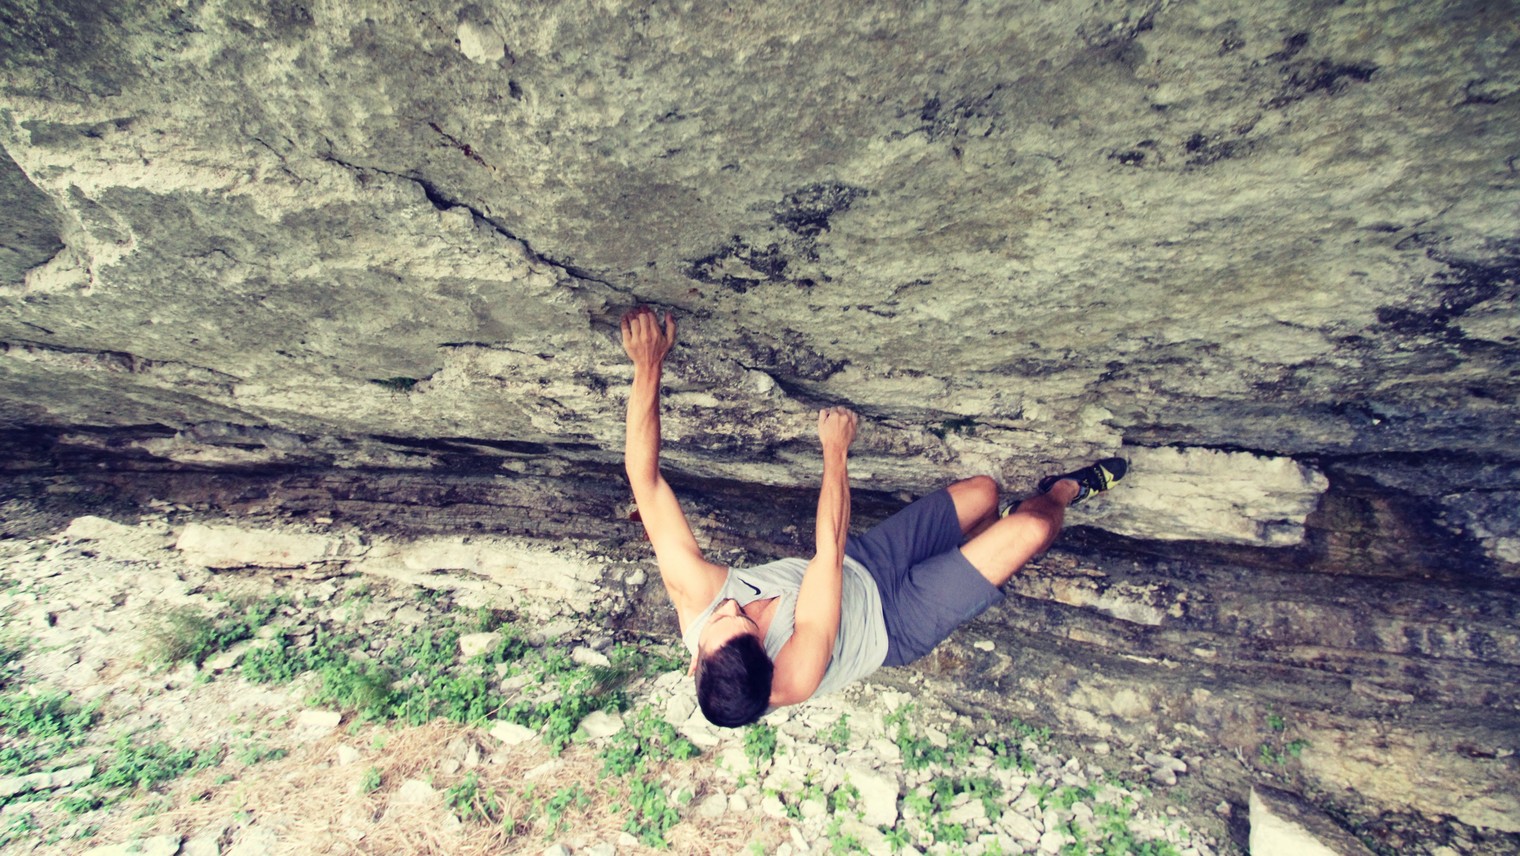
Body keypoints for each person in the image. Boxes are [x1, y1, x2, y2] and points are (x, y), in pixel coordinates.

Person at [620, 307, 1127, 727]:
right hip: (895, 622)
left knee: (984, 493)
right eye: (744, 621)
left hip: (869, 562)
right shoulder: (793, 676)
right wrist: (835, 452)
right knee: (1033, 529)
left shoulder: (699, 600)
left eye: (722, 617)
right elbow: (827, 553)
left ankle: (999, 524)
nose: (733, 605)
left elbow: (645, 481)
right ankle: (1060, 493)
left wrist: (648, 365)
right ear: (766, 657)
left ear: (697, 659)